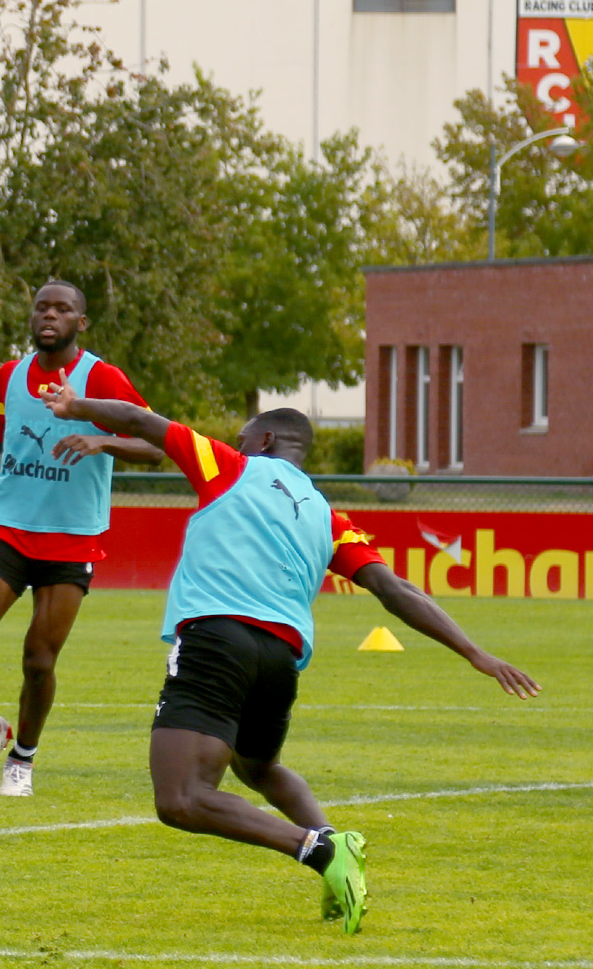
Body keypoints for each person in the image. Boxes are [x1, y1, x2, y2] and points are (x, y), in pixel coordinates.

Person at [40, 379, 540, 933]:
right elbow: (395, 591)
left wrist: (74, 406)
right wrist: (475, 653)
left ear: (264, 439)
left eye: (242, 434)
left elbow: (141, 420)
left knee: (181, 799)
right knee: (259, 768)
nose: (234, 439)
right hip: (279, 661)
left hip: (217, 640)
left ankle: (321, 851)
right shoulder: (329, 518)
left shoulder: (229, 466)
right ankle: (340, 862)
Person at [0, 280, 163, 798]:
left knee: (38, 659)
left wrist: (99, 438)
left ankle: (22, 758)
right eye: (42, 306)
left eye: (62, 308)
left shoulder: (101, 377)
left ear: (80, 322)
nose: (50, 314)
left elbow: (154, 444)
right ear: (31, 317)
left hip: (72, 539)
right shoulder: (9, 375)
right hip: (9, 528)